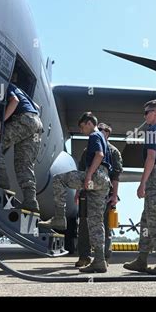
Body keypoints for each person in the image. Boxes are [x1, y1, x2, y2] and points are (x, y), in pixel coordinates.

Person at [38, 112, 111, 273]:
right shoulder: (104, 139)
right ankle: (100, 260)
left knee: (58, 179)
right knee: (96, 222)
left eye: (82, 126)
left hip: (96, 176)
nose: (82, 130)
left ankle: (59, 218)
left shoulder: (94, 136)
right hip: (104, 181)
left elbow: (99, 155)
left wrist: (89, 175)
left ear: (89, 123)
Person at [123, 99, 156, 275]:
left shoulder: (153, 131)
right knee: (147, 219)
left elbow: (151, 157)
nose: (144, 117)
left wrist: (142, 182)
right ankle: (142, 259)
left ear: (155, 113)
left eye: (146, 113)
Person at [0, 82, 43, 212]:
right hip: (37, 123)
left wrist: (1, 123)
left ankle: (1, 181)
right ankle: (30, 201)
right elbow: (37, 107)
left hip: (25, 120)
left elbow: (14, 101)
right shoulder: (21, 90)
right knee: (24, 163)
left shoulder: (5, 84)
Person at [74, 122, 123, 267]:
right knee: (83, 225)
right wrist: (78, 192)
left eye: (104, 130)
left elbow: (116, 175)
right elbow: (81, 173)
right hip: (87, 192)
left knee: (104, 225)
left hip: (104, 194)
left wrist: (114, 195)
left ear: (108, 133)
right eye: (99, 130)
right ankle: (84, 256)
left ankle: (104, 257)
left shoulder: (113, 152)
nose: (101, 132)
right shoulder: (87, 150)